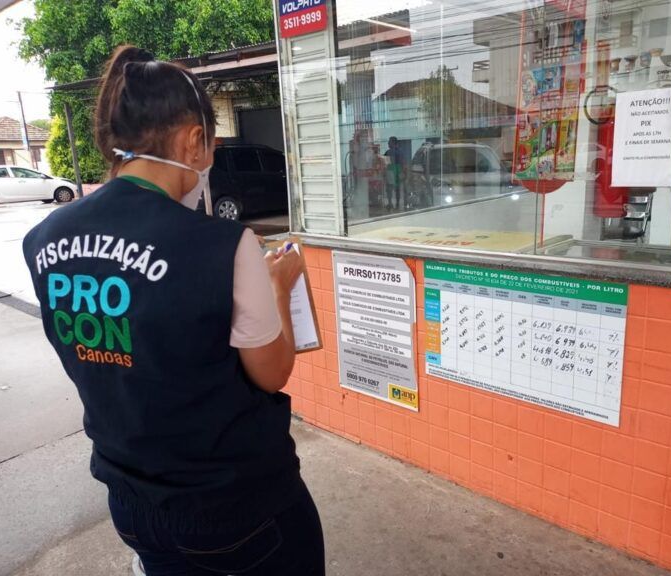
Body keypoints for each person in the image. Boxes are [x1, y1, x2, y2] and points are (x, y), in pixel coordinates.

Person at [21, 45, 325, 576]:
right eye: (210, 145)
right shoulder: (223, 245)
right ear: (192, 141)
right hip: (237, 507)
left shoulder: (43, 238)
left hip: (132, 502)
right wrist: (278, 285)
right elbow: (271, 373)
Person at [384, 136, 405, 210]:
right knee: (397, 189)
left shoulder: (388, 152)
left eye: (389, 142)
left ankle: (390, 203)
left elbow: (386, 163)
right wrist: (402, 172)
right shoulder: (401, 152)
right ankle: (397, 204)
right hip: (398, 170)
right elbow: (403, 163)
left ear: (393, 143)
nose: (388, 143)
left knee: (389, 188)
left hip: (391, 170)